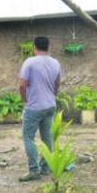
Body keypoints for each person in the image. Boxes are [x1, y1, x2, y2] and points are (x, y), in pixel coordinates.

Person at [18, 36, 61, 182]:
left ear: (34, 47)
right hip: (50, 106)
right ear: (48, 47)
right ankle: (46, 168)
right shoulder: (55, 63)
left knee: (28, 137)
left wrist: (25, 100)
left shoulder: (29, 62)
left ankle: (33, 170)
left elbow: (22, 84)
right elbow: (57, 83)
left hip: (34, 107)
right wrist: (53, 96)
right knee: (47, 138)